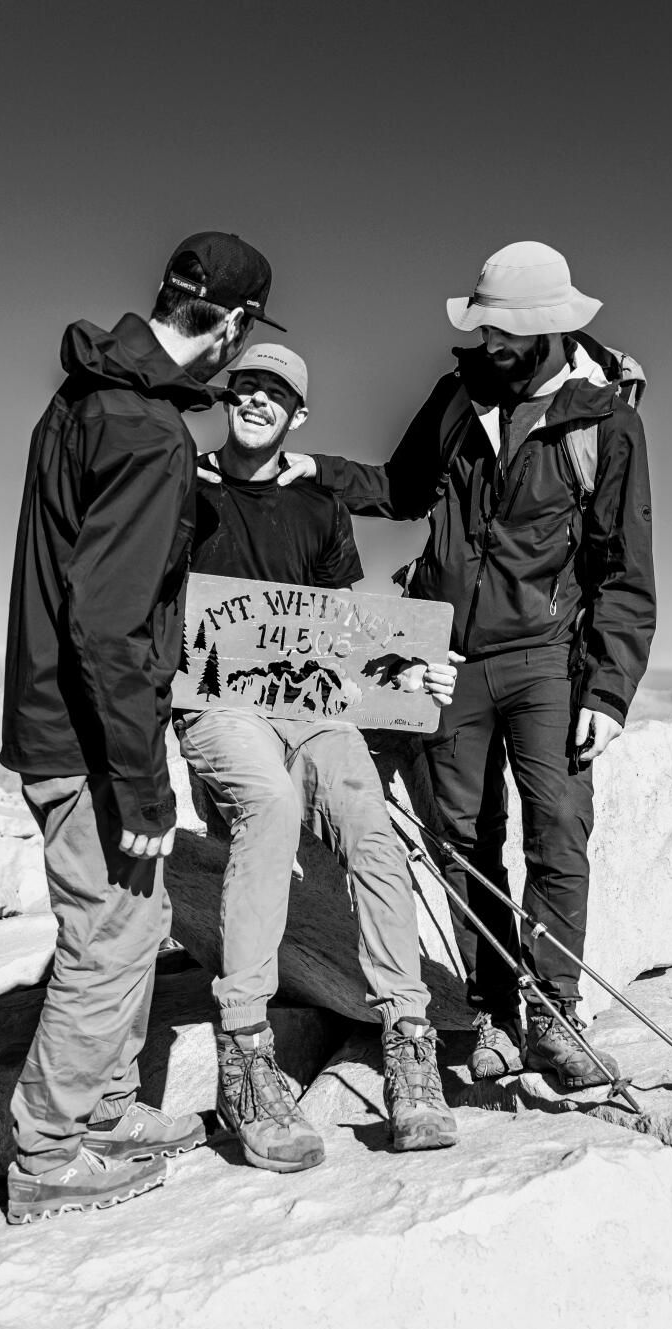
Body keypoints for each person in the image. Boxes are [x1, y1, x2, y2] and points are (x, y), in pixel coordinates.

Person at [273, 241, 656, 1088]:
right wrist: (314, 472)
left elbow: (626, 571)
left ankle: (554, 1015)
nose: (490, 345)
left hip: (549, 661)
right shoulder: (457, 397)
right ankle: (493, 1015)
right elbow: (404, 488)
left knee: (557, 827)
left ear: (552, 328)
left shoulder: (603, 423)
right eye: (484, 329)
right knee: (463, 844)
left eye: (506, 332)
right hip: (444, 653)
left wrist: (610, 691)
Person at [0, 231, 281, 1224]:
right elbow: (111, 624)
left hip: (56, 713)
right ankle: (48, 1149)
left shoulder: (88, 396)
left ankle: (108, 1108)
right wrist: (145, 782)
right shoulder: (148, 433)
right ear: (232, 325)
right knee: (109, 933)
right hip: (86, 736)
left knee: (140, 917)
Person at [183, 343, 460, 1173]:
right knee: (268, 808)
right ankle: (246, 1050)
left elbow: (337, 628)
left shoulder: (318, 504)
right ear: (228, 397)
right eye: (247, 386)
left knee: (371, 831)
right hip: (218, 705)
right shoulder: (181, 485)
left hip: (310, 708)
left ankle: (409, 1042)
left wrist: (411, 669)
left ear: (297, 416)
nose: (258, 400)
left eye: (278, 393)